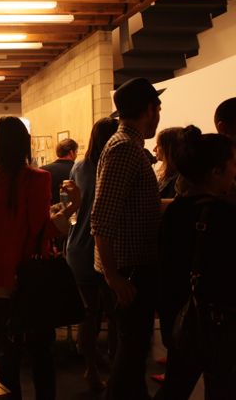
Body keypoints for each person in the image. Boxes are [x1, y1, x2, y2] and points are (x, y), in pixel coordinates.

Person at [0, 116, 79, 399]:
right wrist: (71, 208)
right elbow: (42, 229)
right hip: (33, 274)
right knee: (41, 351)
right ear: (25, 143)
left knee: (8, 352)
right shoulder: (39, 178)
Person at [90, 77, 163, 400]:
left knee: (133, 355)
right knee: (131, 354)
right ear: (149, 110)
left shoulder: (128, 147)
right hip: (128, 270)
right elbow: (102, 217)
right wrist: (113, 275)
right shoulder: (124, 148)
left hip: (129, 268)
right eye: (158, 108)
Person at [159, 126, 236, 399]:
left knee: (174, 388)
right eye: (233, 163)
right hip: (219, 323)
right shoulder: (225, 215)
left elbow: (167, 269)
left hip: (182, 320)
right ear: (216, 171)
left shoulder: (175, 210)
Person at [66, 116, 119, 392]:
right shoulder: (114, 166)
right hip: (105, 247)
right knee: (116, 313)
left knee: (89, 314)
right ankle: (117, 369)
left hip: (78, 246)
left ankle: (91, 369)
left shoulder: (79, 166)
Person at [41, 138, 79, 204]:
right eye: (76, 152)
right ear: (71, 152)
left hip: (48, 209)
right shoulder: (77, 170)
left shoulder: (43, 170)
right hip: (70, 209)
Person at [153, 127, 184, 199]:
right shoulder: (167, 176)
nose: (154, 149)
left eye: (158, 145)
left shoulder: (180, 179)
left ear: (169, 149)